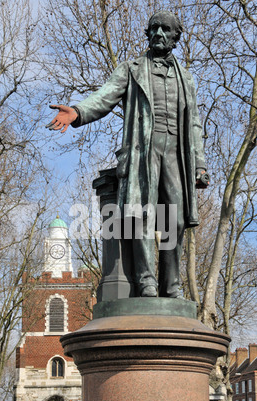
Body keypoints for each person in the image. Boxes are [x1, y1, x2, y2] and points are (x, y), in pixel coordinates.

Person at [46, 11, 207, 298]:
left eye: (165, 29)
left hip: (176, 152)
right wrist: (78, 112)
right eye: (153, 28)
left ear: (175, 36)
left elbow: (193, 122)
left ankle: (171, 285)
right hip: (143, 150)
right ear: (147, 34)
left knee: (176, 220)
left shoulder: (187, 79)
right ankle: (146, 280)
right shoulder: (131, 69)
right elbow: (105, 96)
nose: (158, 33)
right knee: (142, 214)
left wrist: (199, 165)